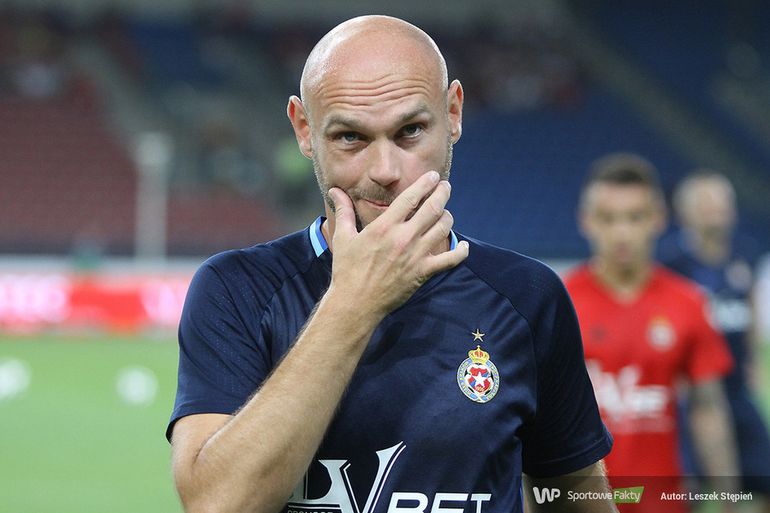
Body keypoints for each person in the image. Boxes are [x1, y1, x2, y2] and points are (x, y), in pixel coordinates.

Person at [166, 15, 616, 513]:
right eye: (350, 137)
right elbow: (217, 505)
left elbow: (574, 499)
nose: (384, 171)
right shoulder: (236, 290)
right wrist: (353, 303)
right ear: (304, 129)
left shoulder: (527, 297)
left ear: (454, 112)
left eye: (411, 131)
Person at [564, 154, 740, 513]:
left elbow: (708, 409)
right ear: (586, 221)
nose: (622, 232)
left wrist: (729, 499)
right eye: (608, 218)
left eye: (635, 217)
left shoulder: (689, 303)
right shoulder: (560, 303)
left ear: (658, 218)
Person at [662, 170, 770, 513]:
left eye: (723, 204)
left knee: (762, 480)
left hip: (737, 391)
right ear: (686, 213)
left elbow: (749, 307)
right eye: (708, 205)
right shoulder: (671, 264)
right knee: (686, 494)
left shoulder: (745, 254)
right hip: (691, 397)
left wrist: (753, 358)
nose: (718, 212)